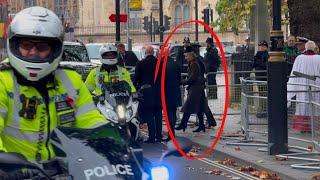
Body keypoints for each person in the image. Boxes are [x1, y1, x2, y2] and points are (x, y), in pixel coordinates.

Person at [0, 7, 107, 162]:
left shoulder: (70, 79)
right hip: (15, 172)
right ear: (14, 45)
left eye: (42, 47)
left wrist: (113, 144)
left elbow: (91, 120)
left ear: (55, 49)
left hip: (67, 170)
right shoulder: (3, 80)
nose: (33, 52)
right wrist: (6, 166)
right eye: (26, 45)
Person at [287, 41, 320, 132]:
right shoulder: (318, 58)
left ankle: (303, 127)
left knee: (303, 105)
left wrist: (292, 86)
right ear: (314, 48)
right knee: (315, 105)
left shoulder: (299, 58)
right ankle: (314, 127)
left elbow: (294, 73)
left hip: (302, 85)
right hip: (315, 85)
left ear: (305, 48)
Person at [175, 46, 207, 133]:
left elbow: (193, 78)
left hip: (195, 88)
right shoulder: (193, 63)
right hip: (197, 88)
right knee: (199, 107)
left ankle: (183, 124)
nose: (185, 58)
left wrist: (182, 82)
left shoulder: (194, 64)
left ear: (191, 56)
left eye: (186, 56)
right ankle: (201, 125)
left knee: (188, 107)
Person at [134, 46, 162, 143]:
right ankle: (159, 136)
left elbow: (136, 78)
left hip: (147, 92)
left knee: (149, 115)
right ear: (153, 53)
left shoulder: (140, 63)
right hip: (158, 92)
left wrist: (135, 90)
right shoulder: (160, 63)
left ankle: (151, 137)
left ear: (145, 53)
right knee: (158, 114)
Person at [191, 44, 217, 128]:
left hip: (197, 85)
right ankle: (208, 121)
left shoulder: (196, 60)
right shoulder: (200, 59)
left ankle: (208, 121)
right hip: (199, 85)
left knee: (200, 104)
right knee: (201, 104)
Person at [159, 46, 182, 142]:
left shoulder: (161, 64)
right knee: (172, 113)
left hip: (166, 93)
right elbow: (179, 77)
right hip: (175, 92)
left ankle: (171, 134)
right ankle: (172, 133)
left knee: (168, 115)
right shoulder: (175, 63)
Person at [252, 40, 269, 118]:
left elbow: (265, 64)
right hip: (259, 77)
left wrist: (258, 63)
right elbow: (253, 64)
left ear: (266, 47)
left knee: (266, 94)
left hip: (265, 77)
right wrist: (258, 63)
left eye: (263, 46)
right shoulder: (257, 54)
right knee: (261, 94)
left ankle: (266, 110)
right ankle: (263, 109)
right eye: (260, 46)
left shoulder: (267, 55)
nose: (261, 48)